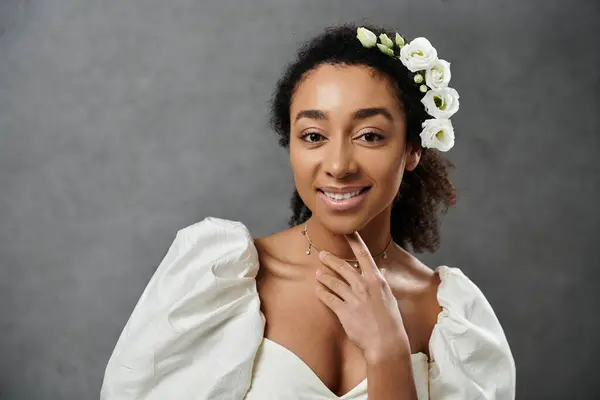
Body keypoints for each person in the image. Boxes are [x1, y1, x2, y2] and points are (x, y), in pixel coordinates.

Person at [100, 24, 516, 399]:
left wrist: (389, 352)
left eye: (369, 135)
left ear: (412, 149)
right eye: (314, 135)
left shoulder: (449, 317)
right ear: (292, 146)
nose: (338, 165)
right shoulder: (217, 283)